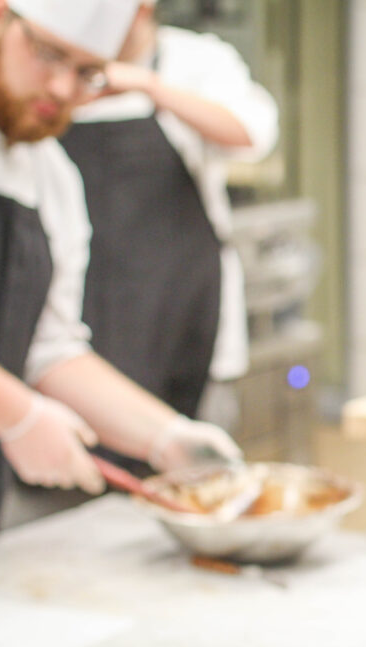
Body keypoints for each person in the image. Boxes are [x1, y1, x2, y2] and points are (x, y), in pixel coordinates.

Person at [0, 0, 242, 543]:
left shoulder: (50, 175)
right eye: (49, 54)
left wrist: (166, 437)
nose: (63, 88)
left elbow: (50, 349)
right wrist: (18, 414)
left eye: (87, 72)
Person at [59, 1, 278, 428]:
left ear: (143, 8)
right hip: (82, 314)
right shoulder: (65, 65)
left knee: (192, 452)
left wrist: (150, 88)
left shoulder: (198, 59)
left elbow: (250, 135)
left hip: (183, 314)